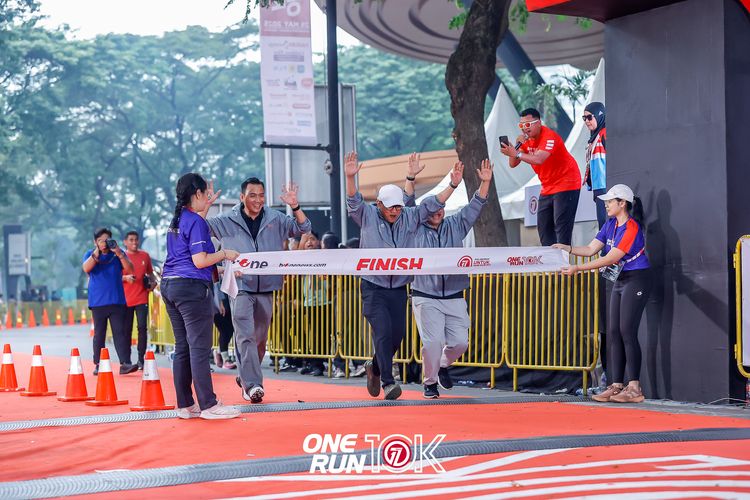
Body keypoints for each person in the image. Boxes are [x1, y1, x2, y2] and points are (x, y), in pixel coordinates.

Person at [345, 150, 460, 400]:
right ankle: (388, 382)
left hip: (398, 288)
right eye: (390, 207)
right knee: (383, 332)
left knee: (397, 336)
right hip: (373, 287)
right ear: (379, 205)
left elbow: (433, 203)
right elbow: (353, 201)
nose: (395, 211)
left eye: (398, 206)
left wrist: (452, 185)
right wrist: (350, 177)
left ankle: (375, 367)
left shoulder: (409, 215)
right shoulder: (367, 215)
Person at [206, 177, 311, 404]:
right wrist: (206, 206)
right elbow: (201, 228)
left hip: (267, 286)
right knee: (245, 336)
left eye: (261, 195)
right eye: (252, 195)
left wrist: (295, 206)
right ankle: (253, 385)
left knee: (260, 340)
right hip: (240, 287)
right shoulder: (227, 219)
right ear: (242, 197)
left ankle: (245, 375)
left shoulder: (275, 218)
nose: (258, 200)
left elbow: (304, 228)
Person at [405, 157, 493, 399]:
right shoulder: (414, 228)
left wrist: (485, 182)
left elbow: (477, 205)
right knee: (432, 342)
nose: (438, 211)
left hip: (455, 294)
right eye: (434, 207)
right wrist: (411, 177)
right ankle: (430, 383)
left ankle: (443, 365)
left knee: (461, 343)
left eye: (441, 208)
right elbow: (408, 202)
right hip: (425, 295)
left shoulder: (456, 224)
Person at [554, 184, 650, 404]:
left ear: (622, 204)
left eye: (610, 201)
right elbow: (590, 249)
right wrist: (567, 248)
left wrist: (577, 268)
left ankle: (634, 388)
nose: (606, 205)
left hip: (637, 278)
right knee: (614, 332)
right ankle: (616, 385)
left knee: (627, 331)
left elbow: (611, 258)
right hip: (620, 280)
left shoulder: (632, 227)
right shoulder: (610, 225)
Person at [161, 173, 241, 420]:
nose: (208, 196)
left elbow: (191, 253)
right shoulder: (195, 222)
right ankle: (209, 404)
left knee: (183, 347)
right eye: (205, 193)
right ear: (197, 194)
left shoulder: (178, 220)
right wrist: (225, 254)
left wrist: (205, 207)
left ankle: (186, 404)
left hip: (170, 286)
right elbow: (200, 260)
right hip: (191, 289)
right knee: (199, 347)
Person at [500, 108, 581, 246]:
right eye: (521, 125)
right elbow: (513, 164)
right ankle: (550, 258)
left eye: (528, 124)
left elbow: (539, 159)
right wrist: (515, 147)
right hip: (547, 187)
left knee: (562, 227)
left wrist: (517, 154)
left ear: (538, 123)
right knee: (544, 228)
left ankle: (563, 259)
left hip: (566, 183)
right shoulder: (526, 140)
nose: (524, 128)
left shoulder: (549, 136)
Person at [81, 228, 138, 376]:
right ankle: (99, 364)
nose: (104, 243)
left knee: (120, 333)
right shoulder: (90, 254)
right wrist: (97, 251)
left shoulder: (117, 254)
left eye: (106, 240)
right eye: (100, 240)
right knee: (99, 334)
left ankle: (125, 363)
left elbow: (130, 269)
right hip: (98, 301)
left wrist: (119, 252)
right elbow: (86, 268)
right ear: (95, 242)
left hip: (116, 300)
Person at [121, 231, 156, 370]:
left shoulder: (145, 256)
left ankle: (141, 359)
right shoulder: (121, 257)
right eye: (131, 240)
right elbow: (114, 277)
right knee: (126, 330)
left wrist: (153, 283)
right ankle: (127, 361)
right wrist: (125, 278)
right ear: (125, 242)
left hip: (142, 297)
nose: (134, 242)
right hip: (125, 299)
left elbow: (150, 274)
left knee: (142, 328)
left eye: (136, 239)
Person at [583, 102, 607, 229]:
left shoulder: (604, 133)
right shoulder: (593, 137)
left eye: (589, 117)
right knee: (603, 225)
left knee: (606, 224)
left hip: (606, 188)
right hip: (598, 188)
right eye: (584, 118)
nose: (587, 121)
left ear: (599, 115)